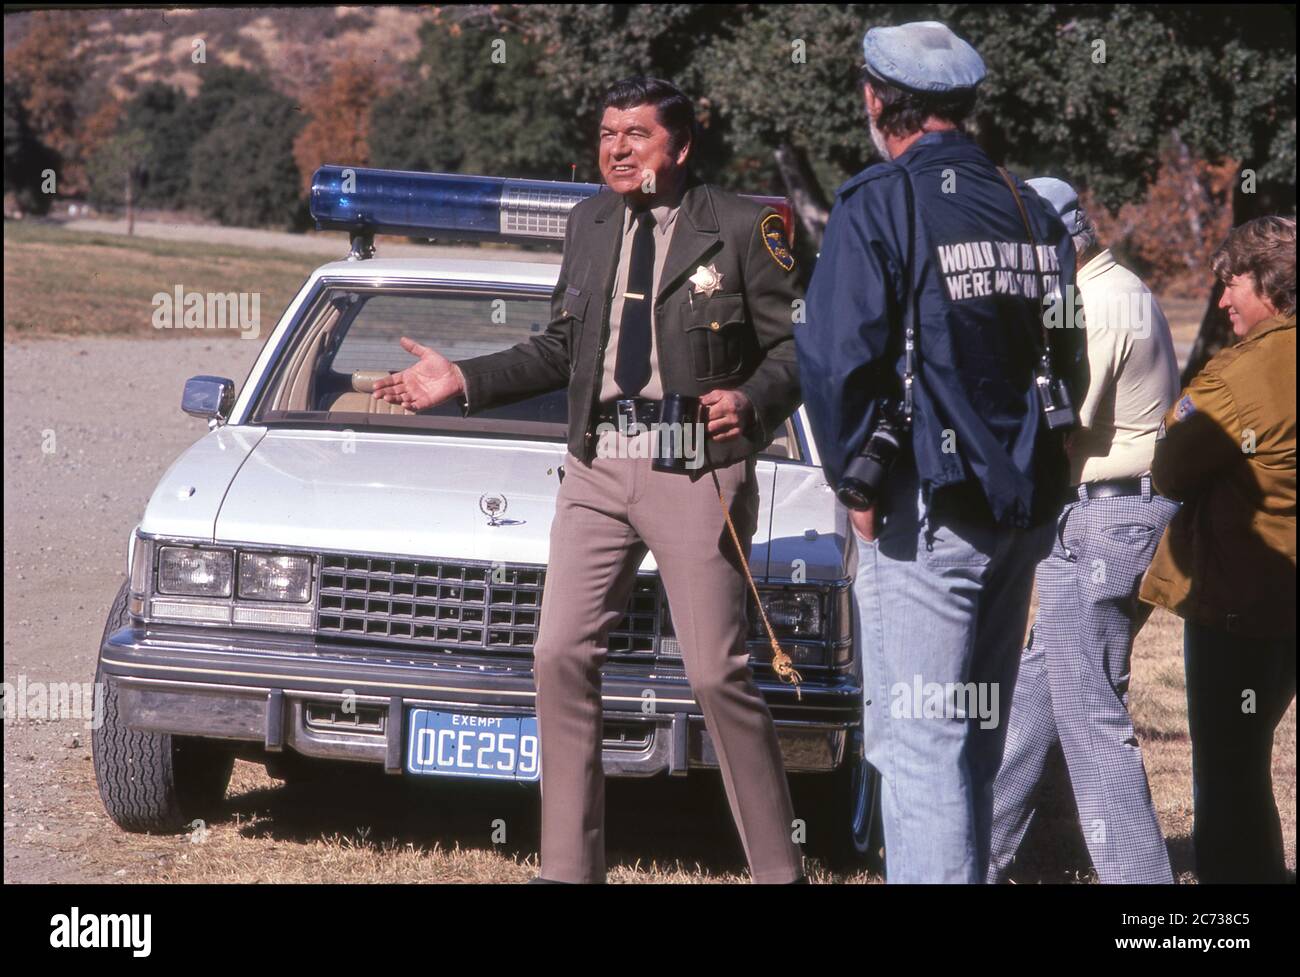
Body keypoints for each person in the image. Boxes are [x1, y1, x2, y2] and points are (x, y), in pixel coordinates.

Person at [373, 76, 807, 884]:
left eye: (635, 134)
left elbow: (795, 351)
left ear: (678, 147)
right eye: (608, 132)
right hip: (596, 465)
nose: (615, 148)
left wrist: (749, 399)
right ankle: (568, 869)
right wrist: (460, 380)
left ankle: (781, 871)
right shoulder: (591, 220)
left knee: (716, 670)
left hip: (692, 466)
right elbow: (560, 348)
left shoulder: (749, 226)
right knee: (559, 654)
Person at [796, 20, 1087, 884]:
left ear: (876, 100)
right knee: (973, 741)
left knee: (919, 749)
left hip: (925, 511)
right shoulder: (1035, 209)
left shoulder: (879, 201)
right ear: (964, 104)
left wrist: (855, 475)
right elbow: (1066, 352)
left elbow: (838, 355)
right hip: (1022, 507)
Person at [986, 177, 1181, 883]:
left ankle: (1141, 888)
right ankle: (973, 858)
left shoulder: (1095, 304)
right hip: (1109, 511)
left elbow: (1058, 428)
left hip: (1105, 514)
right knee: (1038, 695)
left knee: (1090, 717)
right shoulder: (1117, 287)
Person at [1140, 215, 1296, 884]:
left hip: (1243, 602)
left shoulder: (1238, 374)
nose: (1223, 300)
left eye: (1230, 284)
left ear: (1268, 282)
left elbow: (1171, 469)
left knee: (1229, 773)